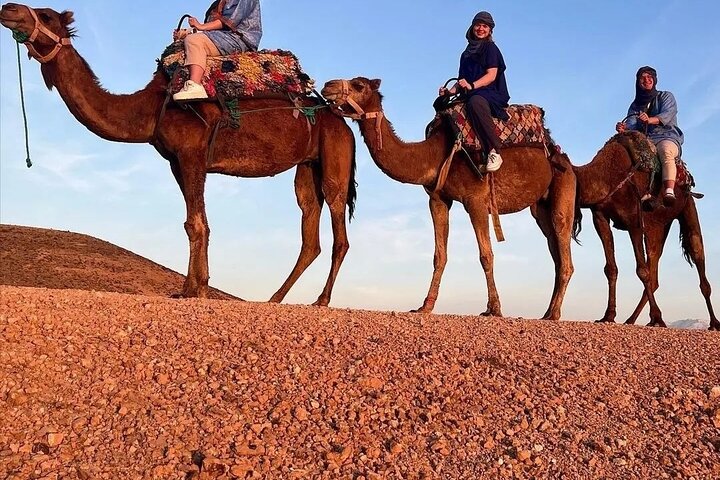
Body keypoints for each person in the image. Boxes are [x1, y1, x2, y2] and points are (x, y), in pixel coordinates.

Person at [439, 11, 510, 173]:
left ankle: (494, 150)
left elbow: (491, 75)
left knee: (475, 102)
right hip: (471, 91)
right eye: (478, 25)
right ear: (472, 27)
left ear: (490, 30)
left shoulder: (490, 48)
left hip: (490, 92)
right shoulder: (466, 54)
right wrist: (448, 92)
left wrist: (471, 86)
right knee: (444, 108)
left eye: (485, 26)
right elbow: (460, 81)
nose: (481, 29)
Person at [616, 66, 684, 206]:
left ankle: (669, 190)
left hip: (667, 136)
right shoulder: (636, 106)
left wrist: (650, 119)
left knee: (665, 151)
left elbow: (668, 113)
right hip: (646, 140)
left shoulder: (665, 96)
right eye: (642, 78)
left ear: (654, 79)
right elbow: (632, 124)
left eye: (649, 77)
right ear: (638, 82)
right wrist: (624, 128)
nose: (646, 80)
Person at [172, 0, 262, 101]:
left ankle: (195, 85)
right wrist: (186, 33)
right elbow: (210, 31)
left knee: (193, 40)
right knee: (188, 41)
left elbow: (230, 21)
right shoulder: (217, 4)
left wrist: (200, 26)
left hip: (238, 38)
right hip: (222, 37)